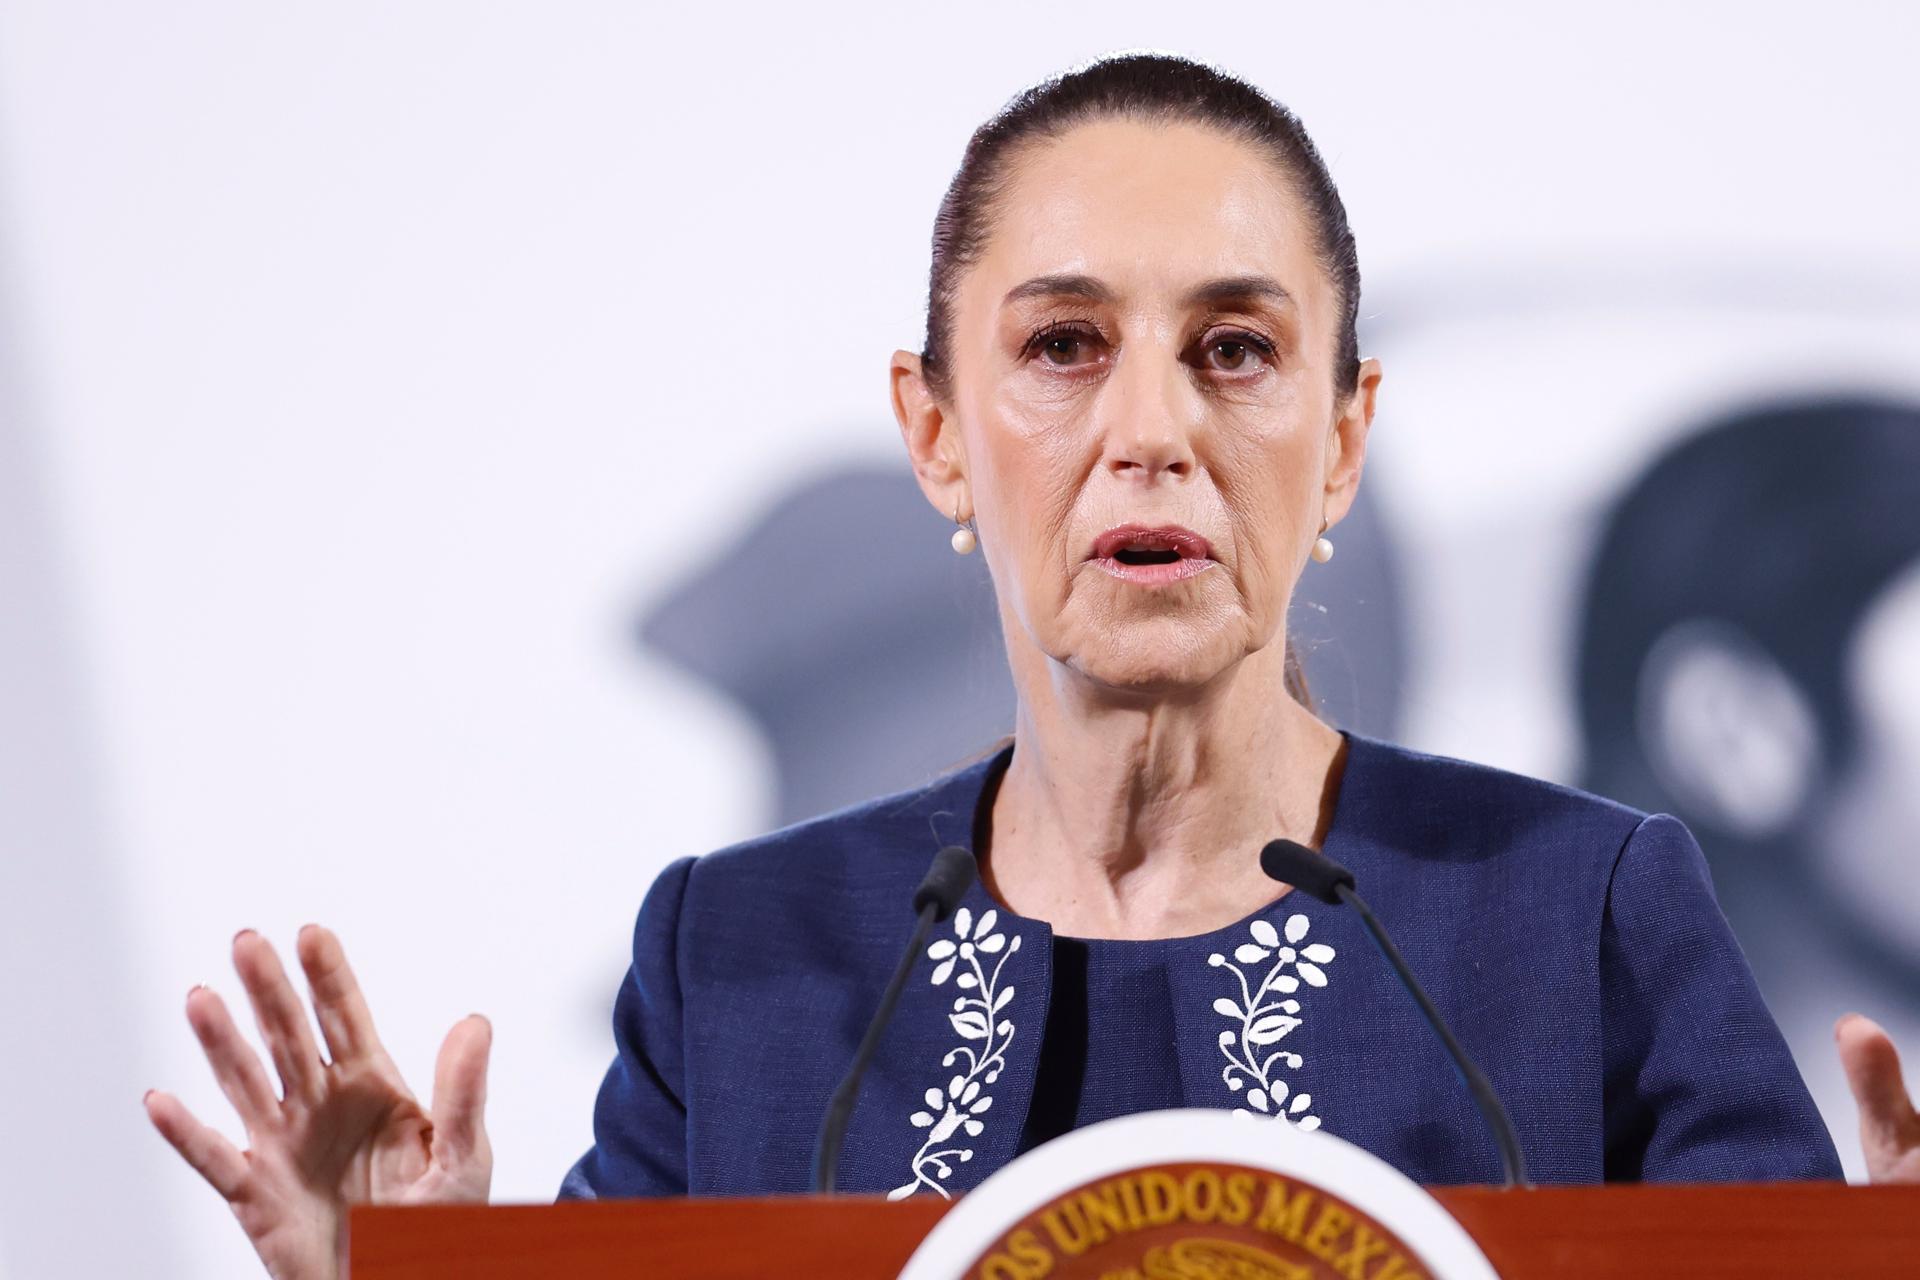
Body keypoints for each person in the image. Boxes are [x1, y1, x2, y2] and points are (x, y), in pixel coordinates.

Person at [143, 52, 1920, 1279]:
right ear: (934, 433)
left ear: (1349, 435)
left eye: (1235, 351)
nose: (1150, 430)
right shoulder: (739, 962)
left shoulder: (1582, 910)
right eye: (1064, 345)